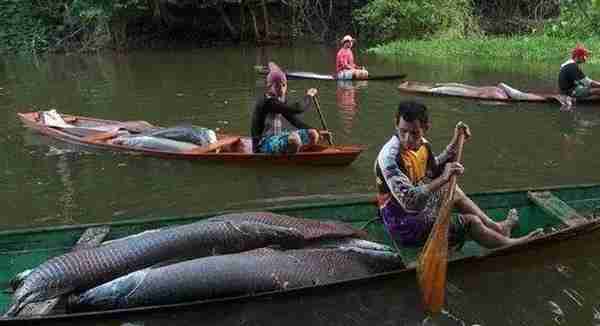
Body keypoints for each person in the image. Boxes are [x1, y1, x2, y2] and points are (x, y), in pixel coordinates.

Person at [374, 100, 543, 249]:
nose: (408, 139)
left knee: (452, 189)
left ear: (425, 128)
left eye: (414, 133)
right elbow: (410, 202)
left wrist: (454, 143)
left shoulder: (422, 145)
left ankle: (497, 228)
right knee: (470, 222)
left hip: (416, 210)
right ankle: (510, 244)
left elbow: (432, 170)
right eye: (403, 131)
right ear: (396, 125)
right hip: (404, 224)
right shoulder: (390, 158)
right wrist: (443, 178)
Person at [251, 62, 321, 154]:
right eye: (277, 85)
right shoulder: (268, 102)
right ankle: (290, 160)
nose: (281, 89)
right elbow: (298, 108)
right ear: (269, 86)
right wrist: (309, 96)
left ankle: (300, 154)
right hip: (262, 145)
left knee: (313, 134)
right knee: (294, 140)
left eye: (284, 85)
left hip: (276, 138)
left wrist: (318, 131)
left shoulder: (279, 101)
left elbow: (295, 121)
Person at [558, 43, 600, 110]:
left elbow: (583, 81)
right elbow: (588, 83)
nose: (585, 58)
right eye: (584, 56)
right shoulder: (572, 66)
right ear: (578, 57)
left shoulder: (568, 64)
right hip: (570, 92)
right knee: (598, 90)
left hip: (568, 88)